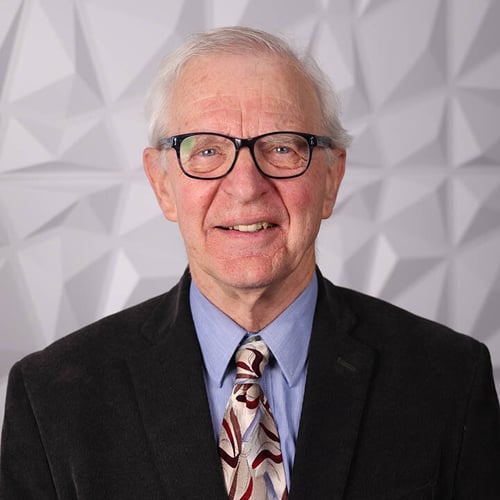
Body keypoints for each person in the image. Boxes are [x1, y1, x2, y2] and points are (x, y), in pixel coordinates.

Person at [1, 26, 499, 500]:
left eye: (282, 148)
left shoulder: (450, 378)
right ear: (161, 184)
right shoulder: (53, 399)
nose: (245, 187)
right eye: (208, 150)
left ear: (331, 177)